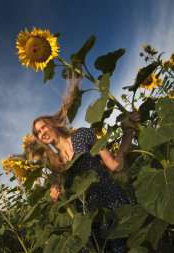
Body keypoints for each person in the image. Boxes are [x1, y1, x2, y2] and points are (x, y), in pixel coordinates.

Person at [31, 88, 140, 252]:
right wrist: (55, 190)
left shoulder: (83, 135)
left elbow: (113, 164)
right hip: (89, 221)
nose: (42, 132)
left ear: (53, 124)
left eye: (43, 126)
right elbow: (60, 191)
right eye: (38, 132)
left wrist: (129, 131)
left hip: (112, 204)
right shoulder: (56, 163)